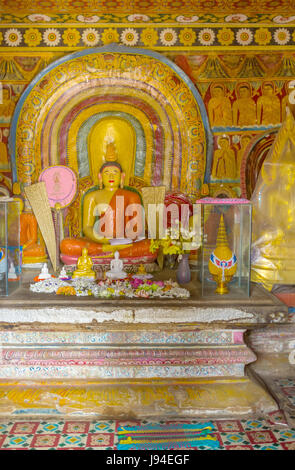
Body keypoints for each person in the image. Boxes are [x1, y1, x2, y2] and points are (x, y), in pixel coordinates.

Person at [60, 141, 152, 260]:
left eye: (115, 172)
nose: (111, 176)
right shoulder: (92, 197)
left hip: (125, 242)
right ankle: (107, 251)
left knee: (151, 245)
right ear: (100, 176)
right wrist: (101, 239)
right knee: (66, 244)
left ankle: (105, 253)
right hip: (99, 241)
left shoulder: (131, 196)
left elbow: (137, 227)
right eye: (107, 173)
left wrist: (124, 238)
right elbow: (87, 227)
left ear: (122, 176)